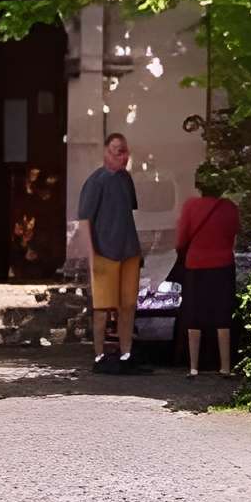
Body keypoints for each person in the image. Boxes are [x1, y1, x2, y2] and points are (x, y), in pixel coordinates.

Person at [75, 133, 144, 372]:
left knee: (128, 305)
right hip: (105, 251)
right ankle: (99, 355)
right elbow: (84, 220)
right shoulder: (95, 182)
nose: (121, 156)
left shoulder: (126, 179)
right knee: (102, 308)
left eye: (124, 151)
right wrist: (91, 254)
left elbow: (129, 212)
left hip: (128, 249)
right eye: (116, 151)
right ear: (106, 152)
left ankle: (126, 353)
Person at [173, 170, 243, 377]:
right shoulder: (230, 208)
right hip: (223, 264)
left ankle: (194, 366)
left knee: (194, 314)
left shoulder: (191, 206)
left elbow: (180, 240)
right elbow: (233, 234)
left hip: (196, 264)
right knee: (223, 314)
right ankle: (225, 366)